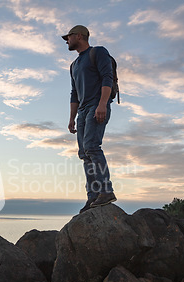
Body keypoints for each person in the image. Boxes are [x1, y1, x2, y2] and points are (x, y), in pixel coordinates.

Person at [62, 25, 117, 213]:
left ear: (79, 36)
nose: (66, 41)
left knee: (92, 147)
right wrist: (72, 118)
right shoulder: (74, 65)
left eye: (68, 37)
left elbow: (107, 78)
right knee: (85, 154)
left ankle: (106, 190)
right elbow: (74, 93)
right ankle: (93, 196)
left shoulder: (98, 52)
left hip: (96, 106)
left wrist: (102, 104)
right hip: (82, 112)